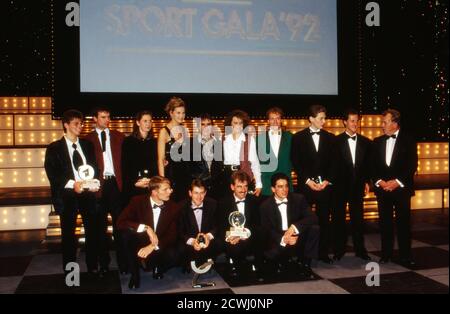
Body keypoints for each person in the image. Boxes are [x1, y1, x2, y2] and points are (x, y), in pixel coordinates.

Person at [44, 109, 101, 275]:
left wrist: (94, 182)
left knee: (93, 232)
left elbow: (95, 168)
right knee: (68, 236)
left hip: (87, 195)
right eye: (76, 123)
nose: (80, 126)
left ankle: (93, 267)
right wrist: (73, 184)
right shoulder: (54, 148)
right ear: (66, 125)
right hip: (67, 196)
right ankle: (70, 272)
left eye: (81, 123)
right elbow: (53, 174)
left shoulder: (87, 145)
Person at [84, 106, 128, 275]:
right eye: (103, 117)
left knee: (120, 226)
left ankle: (124, 263)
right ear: (94, 119)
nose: (107, 120)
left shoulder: (119, 136)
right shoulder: (87, 140)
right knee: (99, 229)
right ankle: (103, 264)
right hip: (98, 187)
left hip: (116, 186)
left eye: (108, 117)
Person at [371, 109, 418, 266]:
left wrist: (396, 182)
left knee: (403, 224)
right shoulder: (377, 142)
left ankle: (405, 256)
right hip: (383, 190)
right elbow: (372, 167)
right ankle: (386, 254)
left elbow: (411, 165)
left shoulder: (409, 140)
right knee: (384, 223)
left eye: (385, 122)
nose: (382, 125)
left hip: (401, 190)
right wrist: (380, 182)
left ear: (395, 123)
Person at [291, 104, 337, 264]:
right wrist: (308, 181)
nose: (324, 121)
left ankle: (323, 253)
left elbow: (334, 164)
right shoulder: (297, 137)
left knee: (325, 220)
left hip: (325, 187)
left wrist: (326, 181)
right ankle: (303, 254)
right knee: (304, 221)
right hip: (306, 187)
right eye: (321, 118)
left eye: (325, 118)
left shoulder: (331, 138)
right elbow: (296, 162)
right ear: (311, 118)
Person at [117, 176, 180, 289]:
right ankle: (135, 275)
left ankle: (158, 267)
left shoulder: (174, 207)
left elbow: (172, 236)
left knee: (175, 253)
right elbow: (120, 222)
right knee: (125, 235)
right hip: (141, 240)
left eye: (170, 188)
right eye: (165, 189)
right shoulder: (137, 201)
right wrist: (146, 228)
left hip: (159, 244)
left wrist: (152, 246)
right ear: (154, 192)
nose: (170, 191)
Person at [260, 173, 319, 276]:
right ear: (273, 189)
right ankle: (281, 260)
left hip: (295, 236)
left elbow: (313, 217)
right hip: (278, 239)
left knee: (314, 229)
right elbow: (267, 230)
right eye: (280, 186)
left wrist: (294, 228)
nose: (285, 189)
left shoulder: (298, 199)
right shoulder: (265, 206)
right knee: (273, 261)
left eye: (286, 186)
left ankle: (305, 263)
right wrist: (284, 238)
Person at [333, 109, 371, 261]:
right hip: (339, 187)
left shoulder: (366, 142)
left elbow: (368, 166)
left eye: (357, 120)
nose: (355, 123)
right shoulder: (335, 142)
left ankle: (360, 250)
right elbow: (333, 167)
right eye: (352, 120)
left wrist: (368, 182)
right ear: (345, 122)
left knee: (358, 220)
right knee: (338, 220)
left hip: (358, 187)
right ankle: (338, 250)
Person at [218, 171, 264, 277]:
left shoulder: (254, 201)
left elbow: (258, 225)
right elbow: (221, 226)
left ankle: (253, 265)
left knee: (260, 236)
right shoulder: (223, 203)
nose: (243, 190)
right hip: (232, 238)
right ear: (232, 187)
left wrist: (245, 233)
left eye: (245, 186)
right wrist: (231, 236)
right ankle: (234, 263)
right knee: (232, 245)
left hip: (249, 236)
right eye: (239, 186)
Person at [178, 179, 221, 272]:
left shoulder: (213, 204)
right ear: (190, 193)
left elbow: (217, 226)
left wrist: (208, 237)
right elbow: (180, 231)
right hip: (190, 240)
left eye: (202, 193)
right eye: (196, 193)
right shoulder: (181, 206)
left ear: (205, 193)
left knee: (219, 242)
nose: (199, 196)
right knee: (180, 247)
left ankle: (208, 260)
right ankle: (188, 262)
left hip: (207, 240)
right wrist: (193, 242)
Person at [157, 97, 191, 201]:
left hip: (185, 175)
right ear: (171, 113)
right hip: (171, 175)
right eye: (178, 112)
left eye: (183, 113)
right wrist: (163, 182)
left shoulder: (185, 130)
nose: (181, 116)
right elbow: (160, 159)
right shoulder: (164, 131)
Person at [223, 110, 262, 196]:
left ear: (243, 124)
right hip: (227, 177)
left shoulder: (249, 140)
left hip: (244, 176)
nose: (238, 125)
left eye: (240, 123)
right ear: (230, 123)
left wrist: (259, 184)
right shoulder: (224, 139)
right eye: (235, 122)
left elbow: (255, 163)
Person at [121, 111, 158, 205]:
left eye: (150, 121)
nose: (148, 124)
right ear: (138, 123)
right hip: (134, 187)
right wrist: (135, 182)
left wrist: (151, 181)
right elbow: (125, 166)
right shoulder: (128, 142)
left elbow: (155, 165)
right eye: (145, 121)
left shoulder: (154, 142)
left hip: (151, 186)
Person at [256, 107, 293, 197]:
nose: (275, 121)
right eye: (272, 118)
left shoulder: (290, 137)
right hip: (267, 184)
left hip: (285, 183)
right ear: (268, 120)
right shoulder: (260, 139)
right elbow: (256, 162)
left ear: (281, 120)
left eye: (278, 118)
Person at [190, 113, 225, 199]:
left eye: (208, 124)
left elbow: (220, 166)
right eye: (203, 124)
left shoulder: (218, 143)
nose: (206, 127)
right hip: (199, 187)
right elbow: (189, 168)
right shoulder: (191, 144)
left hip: (216, 187)